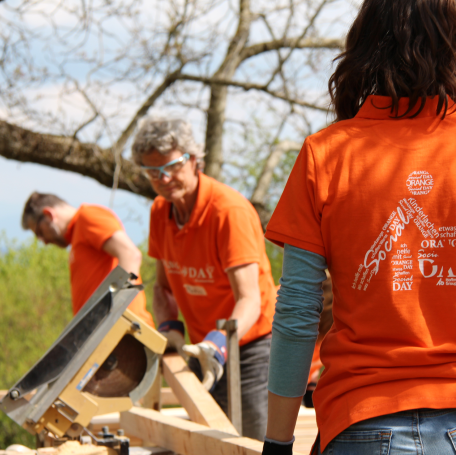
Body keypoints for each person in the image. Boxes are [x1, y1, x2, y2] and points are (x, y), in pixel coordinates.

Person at [261, 0, 456, 454]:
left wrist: (278, 443)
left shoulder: (325, 155)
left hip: (361, 419)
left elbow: (297, 314)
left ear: (363, 45)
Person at [131, 117, 277, 441]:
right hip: (201, 346)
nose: (164, 179)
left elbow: (249, 299)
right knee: (209, 441)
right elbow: (163, 287)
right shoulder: (161, 212)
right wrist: (169, 328)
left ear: (194, 159)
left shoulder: (228, 212)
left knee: (252, 443)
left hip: (253, 347)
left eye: (170, 166)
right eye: (153, 172)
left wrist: (220, 342)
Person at [21, 192, 154, 326]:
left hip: (125, 333)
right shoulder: (77, 234)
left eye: (40, 233)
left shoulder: (88, 217)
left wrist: (116, 315)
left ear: (49, 215)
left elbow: (130, 255)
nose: (43, 241)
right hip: (106, 337)